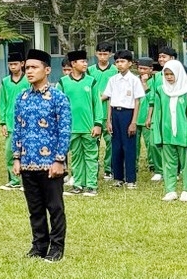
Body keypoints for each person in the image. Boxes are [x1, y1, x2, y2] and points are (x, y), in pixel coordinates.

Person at [10, 48, 70, 260]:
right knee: (35, 209)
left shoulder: (58, 97)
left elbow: (64, 130)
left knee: (54, 207)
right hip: (28, 162)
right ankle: (38, 246)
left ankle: (56, 248)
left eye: (34, 67)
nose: (29, 71)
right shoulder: (22, 98)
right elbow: (17, 129)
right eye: (27, 68)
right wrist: (16, 157)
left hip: (50, 164)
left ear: (46, 70)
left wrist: (59, 160)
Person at [59, 51, 102, 197]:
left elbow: (97, 104)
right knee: (76, 156)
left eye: (86, 61)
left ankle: (91, 185)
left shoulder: (91, 81)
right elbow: (58, 105)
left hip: (89, 127)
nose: (85, 64)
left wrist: (98, 124)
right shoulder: (63, 82)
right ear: (73, 64)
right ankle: (78, 184)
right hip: (71, 128)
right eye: (82, 61)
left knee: (91, 156)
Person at [101, 51, 144, 188]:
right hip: (115, 113)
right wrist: (109, 120)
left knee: (129, 147)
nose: (120, 64)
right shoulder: (113, 80)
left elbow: (137, 102)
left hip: (128, 114)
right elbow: (110, 100)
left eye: (123, 61)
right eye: (118, 62)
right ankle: (118, 177)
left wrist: (133, 122)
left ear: (130, 63)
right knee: (116, 147)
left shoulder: (134, 80)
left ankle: (131, 179)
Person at [157, 59, 187, 202]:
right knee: (168, 163)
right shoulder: (161, 91)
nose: (169, 77)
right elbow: (158, 114)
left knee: (185, 163)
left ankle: (186, 190)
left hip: (183, 134)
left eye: (171, 74)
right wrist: (158, 135)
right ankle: (170, 190)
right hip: (166, 133)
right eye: (166, 74)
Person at [0, 44, 27, 190]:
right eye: (10, 64)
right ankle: (14, 180)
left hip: (26, 123)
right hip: (10, 123)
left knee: (26, 152)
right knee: (9, 152)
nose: (13, 67)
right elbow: (2, 102)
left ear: (22, 64)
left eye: (15, 64)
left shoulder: (28, 80)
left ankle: (26, 181)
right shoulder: (5, 82)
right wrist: (2, 122)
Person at [88, 44, 119, 176]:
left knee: (111, 142)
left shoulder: (115, 70)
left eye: (105, 54)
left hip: (109, 111)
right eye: (100, 54)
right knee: (92, 142)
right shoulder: (89, 70)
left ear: (110, 55)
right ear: (96, 54)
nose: (102, 57)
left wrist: (106, 96)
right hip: (94, 113)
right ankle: (93, 168)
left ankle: (108, 169)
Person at [133, 57, 160, 183]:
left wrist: (149, 117)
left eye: (145, 69)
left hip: (147, 118)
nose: (142, 71)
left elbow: (151, 99)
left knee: (151, 144)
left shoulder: (154, 80)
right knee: (134, 144)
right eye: (140, 68)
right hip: (134, 118)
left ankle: (154, 166)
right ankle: (134, 166)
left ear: (151, 69)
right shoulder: (134, 80)